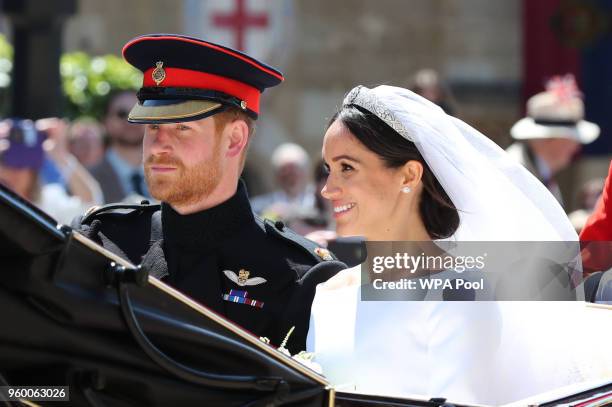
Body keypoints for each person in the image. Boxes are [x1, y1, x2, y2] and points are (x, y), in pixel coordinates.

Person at [306, 85, 612, 405]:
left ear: (409, 175)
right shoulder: (330, 291)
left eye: (347, 168)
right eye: (329, 169)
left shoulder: (461, 293)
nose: (328, 189)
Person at [72, 34, 346, 353]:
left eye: (182, 128)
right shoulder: (100, 240)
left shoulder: (301, 277)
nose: (158, 146)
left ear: (234, 139)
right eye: (152, 127)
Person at [507, 74, 600, 207]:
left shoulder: (541, 173)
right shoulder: (515, 171)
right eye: (571, 140)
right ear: (551, 139)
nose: (576, 147)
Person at [0, 118, 103, 224]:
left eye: (21, 164)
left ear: (33, 171)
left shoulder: (48, 201)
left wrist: (60, 155)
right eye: (3, 161)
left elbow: (91, 204)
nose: (11, 171)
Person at [88, 90, 149, 203]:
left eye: (139, 112)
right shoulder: (88, 178)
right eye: (122, 114)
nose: (131, 119)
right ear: (106, 122)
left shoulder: (174, 173)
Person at [250, 142, 316, 220]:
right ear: (276, 175)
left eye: (294, 169)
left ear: (306, 172)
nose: (290, 175)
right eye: (284, 170)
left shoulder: (320, 202)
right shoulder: (258, 207)